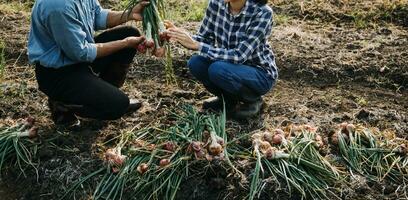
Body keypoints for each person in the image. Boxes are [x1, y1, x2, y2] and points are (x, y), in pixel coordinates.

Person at [28, 0, 149, 126]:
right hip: (58, 73)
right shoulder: (58, 6)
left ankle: (100, 95)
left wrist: (129, 14)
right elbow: (81, 53)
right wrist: (125, 43)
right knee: (118, 105)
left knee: (129, 33)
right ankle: (62, 105)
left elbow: (98, 16)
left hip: (79, 59)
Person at [166, 0, 277, 119]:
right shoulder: (216, 4)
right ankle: (227, 100)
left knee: (217, 69)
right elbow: (203, 39)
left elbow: (239, 55)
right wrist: (179, 35)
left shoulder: (262, 12)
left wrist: (197, 45)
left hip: (259, 74)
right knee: (196, 63)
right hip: (228, 66)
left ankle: (253, 100)